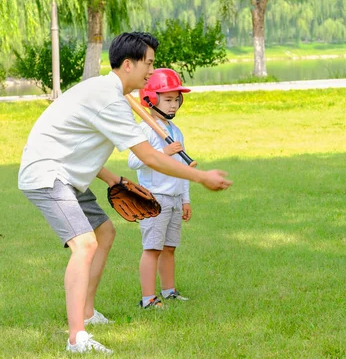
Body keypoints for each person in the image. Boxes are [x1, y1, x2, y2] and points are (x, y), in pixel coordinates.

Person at [18, 32, 232, 355]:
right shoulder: (110, 98)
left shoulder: (110, 94)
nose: (151, 70)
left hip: (68, 173)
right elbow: (150, 156)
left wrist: (110, 178)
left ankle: (88, 312)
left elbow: (80, 143)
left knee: (104, 232)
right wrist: (200, 176)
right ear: (128, 64)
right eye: (148, 63)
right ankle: (76, 337)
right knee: (84, 244)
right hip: (47, 174)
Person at [128, 68, 194, 309]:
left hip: (175, 198)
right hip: (154, 199)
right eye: (167, 99)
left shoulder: (175, 132)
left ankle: (169, 291)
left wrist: (185, 199)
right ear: (151, 99)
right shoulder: (146, 129)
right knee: (152, 249)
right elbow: (133, 161)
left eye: (176, 99)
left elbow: (182, 169)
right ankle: (148, 298)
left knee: (169, 248)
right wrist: (162, 152)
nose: (173, 104)